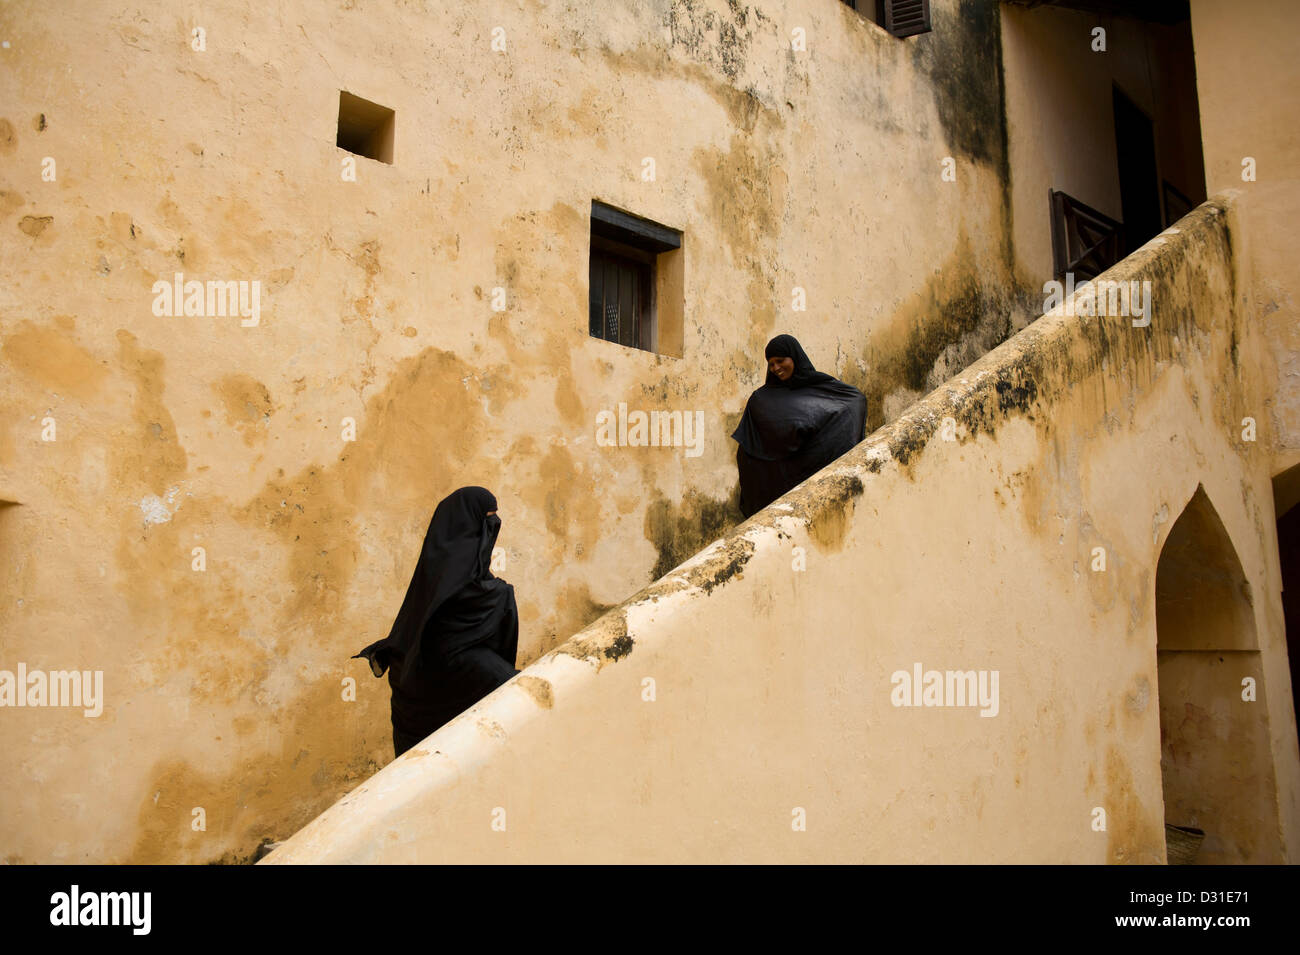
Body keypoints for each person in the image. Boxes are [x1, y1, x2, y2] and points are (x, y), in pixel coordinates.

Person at [353, 486, 520, 758]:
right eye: (486, 522)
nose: (492, 531)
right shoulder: (451, 585)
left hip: (436, 705)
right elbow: (445, 645)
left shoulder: (443, 577)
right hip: (427, 708)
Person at [731, 334, 868, 518]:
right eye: (771, 364)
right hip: (775, 485)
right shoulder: (761, 399)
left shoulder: (821, 387)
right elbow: (752, 445)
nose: (776, 368)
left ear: (794, 357)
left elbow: (854, 401)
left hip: (811, 478)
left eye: (780, 361)